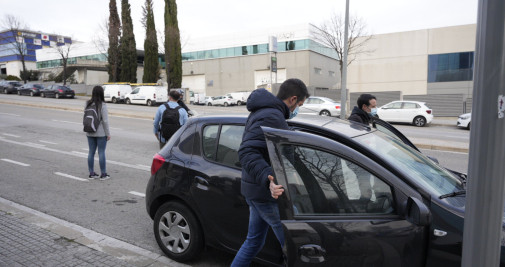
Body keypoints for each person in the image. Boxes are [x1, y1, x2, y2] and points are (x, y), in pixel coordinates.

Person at [231, 78, 310, 267]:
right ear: (292, 99)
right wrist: (269, 180)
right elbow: (247, 151)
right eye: (299, 104)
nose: (297, 109)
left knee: (254, 241)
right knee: (293, 247)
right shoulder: (272, 116)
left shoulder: (267, 112)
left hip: (256, 190)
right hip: (266, 193)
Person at [85, 85, 111, 180]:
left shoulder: (87, 103)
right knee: (101, 152)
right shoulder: (103, 105)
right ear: (102, 94)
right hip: (100, 133)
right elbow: (105, 121)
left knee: (91, 152)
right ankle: (103, 174)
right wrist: (108, 134)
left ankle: (91, 173)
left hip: (89, 131)